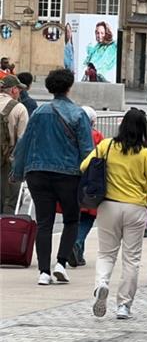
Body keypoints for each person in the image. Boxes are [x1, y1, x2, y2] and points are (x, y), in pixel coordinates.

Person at [82, 109, 147, 319]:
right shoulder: (145, 154)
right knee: (131, 259)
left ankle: (102, 284)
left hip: (108, 206)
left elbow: (84, 166)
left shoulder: (106, 146)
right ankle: (123, 306)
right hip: (135, 209)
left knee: (106, 253)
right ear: (143, 129)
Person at [13, 68, 94, 285]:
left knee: (44, 222)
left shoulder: (39, 113)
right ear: (69, 87)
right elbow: (88, 150)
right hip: (68, 174)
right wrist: (91, 179)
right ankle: (61, 263)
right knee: (71, 219)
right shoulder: (78, 114)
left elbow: (24, 144)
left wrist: (18, 172)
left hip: (37, 173)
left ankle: (43, 272)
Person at [69, 106, 105, 267]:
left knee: (73, 217)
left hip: (69, 179)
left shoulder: (68, 133)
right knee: (88, 216)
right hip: (89, 182)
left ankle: (79, 253)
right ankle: (77, 243)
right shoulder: (97, 136)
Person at [0, 75, 29, 213]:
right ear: (13, 90)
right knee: (10, 202)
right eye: (19, 89)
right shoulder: (19, 109)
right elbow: (23, 140)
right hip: (9, 163)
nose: (20, 92)